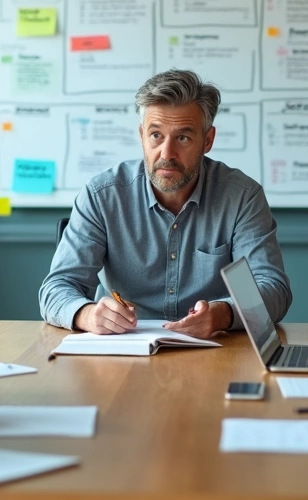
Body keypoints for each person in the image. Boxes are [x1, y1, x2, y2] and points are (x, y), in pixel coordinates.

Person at [39, 69, 290, 339]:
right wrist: (87, 314)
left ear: (207, 140)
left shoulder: (242, 197)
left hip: (215, 347)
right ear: (142, 135)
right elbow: (57, 288)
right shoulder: (102, 196)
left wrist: (222, 314)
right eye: (156, 135)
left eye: (183, 137)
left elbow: (273, 288)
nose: (166, 154)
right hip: (121, 351)